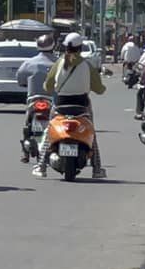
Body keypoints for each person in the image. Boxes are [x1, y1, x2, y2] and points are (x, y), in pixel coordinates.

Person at [36, 31, 106, 179]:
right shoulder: (87, 65)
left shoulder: (59, 63)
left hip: (60, 106)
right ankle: (97, 168)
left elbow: (48, 86)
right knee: (91, 134)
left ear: (65, 47)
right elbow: (99, 89)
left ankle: (41, 166)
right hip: (81, 107)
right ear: (80, 47)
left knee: (49, 130)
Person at [14, 34, 60, 163]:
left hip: (34, 100)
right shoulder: (59, 63)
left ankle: (25, 153)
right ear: (54, 46)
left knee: (27, 123)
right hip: (53, 101)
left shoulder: (29, 63)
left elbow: (20, 79)